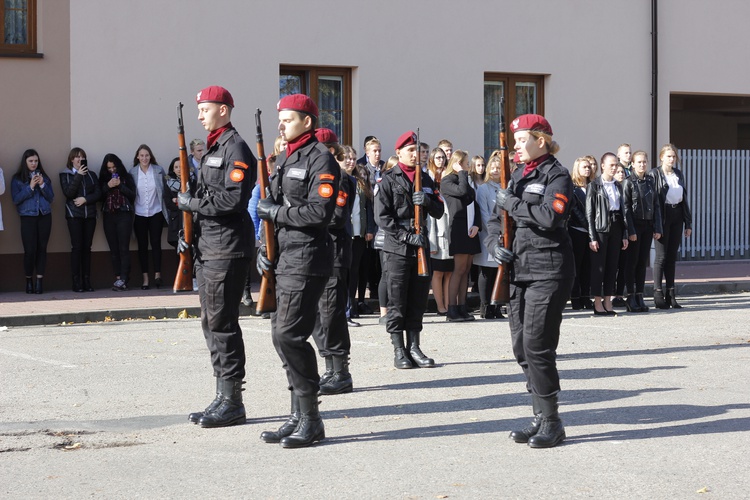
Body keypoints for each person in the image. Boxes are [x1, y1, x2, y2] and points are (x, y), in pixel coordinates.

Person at [256, 94, 339, 448]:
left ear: (307, 121)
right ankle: (297, 415)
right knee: (280, 334)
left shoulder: (322, 159)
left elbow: (319, 214)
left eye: (287, 119)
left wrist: (275, 215)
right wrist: (264, 249)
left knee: (288, 335)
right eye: (280, 119)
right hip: (284, 258)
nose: (281, 124)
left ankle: (312, 418)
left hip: (308, 258)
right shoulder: (285, 158)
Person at [486, 114, 574, 448]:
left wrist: (515, 204)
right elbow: (496, 220)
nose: (517, 147)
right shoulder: (517, 176)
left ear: (542, 140)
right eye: (516, 141)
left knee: (538, 346)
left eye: (523, 140)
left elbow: (551, 217)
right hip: (518, 271)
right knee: (522, 348)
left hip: (548, 271)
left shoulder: (558, 175)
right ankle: (539, 416)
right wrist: (495, 246)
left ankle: (553, 422)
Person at [178, 85, 256, 428]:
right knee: (211, 322)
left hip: (227, 247)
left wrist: (190, 205)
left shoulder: (235, 148)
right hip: (209, 246)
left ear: (223, 110)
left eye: (205, 109)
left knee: (222, 324)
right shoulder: (213, 147)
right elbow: (207, 193)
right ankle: (223, 395)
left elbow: (232, 201)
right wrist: (187, 231)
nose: (199, 116)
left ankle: (232, 400)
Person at [375, 131, 444, 369]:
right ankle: (399, 349)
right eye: (410, 150)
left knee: (417, 299)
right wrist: (405, 236)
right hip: (397, 247)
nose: (416, 154)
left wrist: (426, 202)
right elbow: (382, 217)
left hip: (421, 245)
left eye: (418, 150)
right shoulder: (388, 180)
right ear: (399, 153)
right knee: (397, 299)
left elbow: (439, 210)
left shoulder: (425, 179)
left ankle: (414, 347)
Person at [310, 128, 357, 395]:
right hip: (317, 251)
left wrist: (305, 218)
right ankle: (329, 367)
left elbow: (337, 217)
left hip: (335, 252)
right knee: (317, 314)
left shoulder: (340, 178)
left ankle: (341, 371)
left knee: (331, 314)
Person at [650, 144, 692, 309]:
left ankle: (671, 293)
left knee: (672, 257)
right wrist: (656, 224)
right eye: (668, 156)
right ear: (661, 157)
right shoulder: (655, 174)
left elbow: (684, 199)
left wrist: (687, 223)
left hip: (677, 215)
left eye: (673, 156)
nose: (672, 159)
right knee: (661, 256)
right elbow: (653, 201)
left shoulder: (678, 174)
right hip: (663, 215)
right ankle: (657, 293)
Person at [440, 150, 481, 321]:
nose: (468, 166)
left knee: (466, 271)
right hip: (458, 228)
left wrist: (477, 225)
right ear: (458, 163)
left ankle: (463, 306)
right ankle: (452, 309)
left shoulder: (465, 180)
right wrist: (462, 173)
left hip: (470, 228)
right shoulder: (447, 181)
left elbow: (474, 202)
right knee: (458, 269)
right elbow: (463, 192)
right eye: (466, 163)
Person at [587, 152, 628, 316]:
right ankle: (597, 302)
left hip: (616, 226)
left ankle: (608, 300)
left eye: (616, 164)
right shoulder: (595, 185)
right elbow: (589, 213)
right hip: (600, 228)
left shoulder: (618, 185)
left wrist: (625, 234)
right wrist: (592, 237)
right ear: (602, 165)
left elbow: (623, 211)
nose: (614, 167)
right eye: (611, 164)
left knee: (613, 265)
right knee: (599, 266)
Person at [623, 151, 662, 312]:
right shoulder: (628, 182)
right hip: (634, 225)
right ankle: (630, 296)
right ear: (632, 164)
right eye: (639, 162)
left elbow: (656, 205)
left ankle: (639, 295)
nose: (642, 165)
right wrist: (630, 230)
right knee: (631, 262)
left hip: (647, 225)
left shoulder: (650, 181)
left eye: (644, 162)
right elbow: (625, 208)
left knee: (642, 263)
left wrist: (657, 227)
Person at [11, 149, 54, 294]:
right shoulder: (17, 179)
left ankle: (39, 281)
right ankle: (28, 280)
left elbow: (51, 198)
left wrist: (42, 185)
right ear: (25, 162)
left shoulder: (45, 177)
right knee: (30, 250)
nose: (34, 164)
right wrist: (30, 187)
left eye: (36, 161)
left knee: (42, 248)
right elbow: (16, 199)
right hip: (28, 217)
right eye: (31, 161)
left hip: (44, 215)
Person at [60, 147, 101, 292]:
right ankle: (76, 281)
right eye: (77, 157)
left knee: (87, 248)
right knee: (77, 248)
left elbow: (98, 194)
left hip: (89, 216)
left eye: (82, 157)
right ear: (71, 159)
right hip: (74, 216)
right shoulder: (65, 175)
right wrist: (78, 175)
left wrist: (85, 199)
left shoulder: (91, 175)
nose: (79, 159)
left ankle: (87, 280)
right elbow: (69, 192)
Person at [345, 145, 376, 323]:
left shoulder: (358, 182)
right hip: (344, 233)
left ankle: (352, 306)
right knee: (344, 272)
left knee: (354, 271)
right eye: (347, 158)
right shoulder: (339, 179)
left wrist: (369, 229)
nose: (350, 161)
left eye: (353, 158)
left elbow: (366, 208)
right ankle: (343, 310)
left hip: (358, 233)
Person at [129, 144, 168, 290]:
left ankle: (158, 275)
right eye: (142, 155)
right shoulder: (132, 172)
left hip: (156, 212)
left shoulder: (158, 171)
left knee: (156, 243)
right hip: (139, 214)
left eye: (147, 155)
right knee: (142, 246)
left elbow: (165, 191)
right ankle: (145, 278)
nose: (144, 158)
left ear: (150, 156)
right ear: (137, 157)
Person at [98, 153, 136, 291]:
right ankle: (118, 278)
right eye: (109, 168)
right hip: (109, 215)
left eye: (114, 167)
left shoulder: (126, 178)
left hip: (124, 214)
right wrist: (107, 186)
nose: (112, 170)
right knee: (113, 249)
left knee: (123, 248)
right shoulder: (103, 179)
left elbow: (133, 195)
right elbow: (98, 196)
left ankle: (125, 279)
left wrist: (120, 185)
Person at [473, 150, 503, 319]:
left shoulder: (505, 187)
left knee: (499, 271)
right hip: (488, 235)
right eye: (493, 168)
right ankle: (485, 307)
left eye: (499, 168)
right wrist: (495, 231)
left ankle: (496, 305)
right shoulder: (484, 189)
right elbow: (484, 213)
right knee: (486, 271)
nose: (496, 171)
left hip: (503, 236)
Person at [373, 155, 399, 323]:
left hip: (399, 236)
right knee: (386, 274)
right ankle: (384, 312)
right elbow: (380, 214)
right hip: (385, 236)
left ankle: (395, 309)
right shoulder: (383, 184)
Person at [426, 147, 452, 316]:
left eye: (443, 157)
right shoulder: (429, 179)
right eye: (437, 157)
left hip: (451, 232)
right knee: (438, 272)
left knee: (449, 272)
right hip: (438, 233)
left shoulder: (449, 177)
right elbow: (431, 215)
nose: (441, 160)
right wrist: (432, 240)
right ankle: (440, 306)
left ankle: (449, 305)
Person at [567, 157, 595, 310]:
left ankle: (586, 296)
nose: (587, 169)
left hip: (591, 232)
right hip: (577, 230)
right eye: (584, 167)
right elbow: (574, 209)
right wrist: (587, 224)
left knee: (588, 266)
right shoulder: (572, 187)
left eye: (589, 167)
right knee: (577, 265)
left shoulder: (593, 186)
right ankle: (575, 297)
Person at [164, 156, 197, 248]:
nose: (179, 169)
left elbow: (194, 198)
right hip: (177, 220)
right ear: (173, 169)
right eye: (176, 167)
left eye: (181, 166)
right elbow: (168, 202)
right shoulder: (168, 182)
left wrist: (179, 201)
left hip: (191, 218)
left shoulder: (192, 180)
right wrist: (182, 203)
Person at [611, 164, 629, 307]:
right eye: (618, 172)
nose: (621, 174)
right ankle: (610, 293)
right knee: (613, 264)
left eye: (622, 172)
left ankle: (619, 294)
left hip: (626, 231)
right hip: (614, 229)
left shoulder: (627, 188)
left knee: (624, 265)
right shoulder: (613, 189)